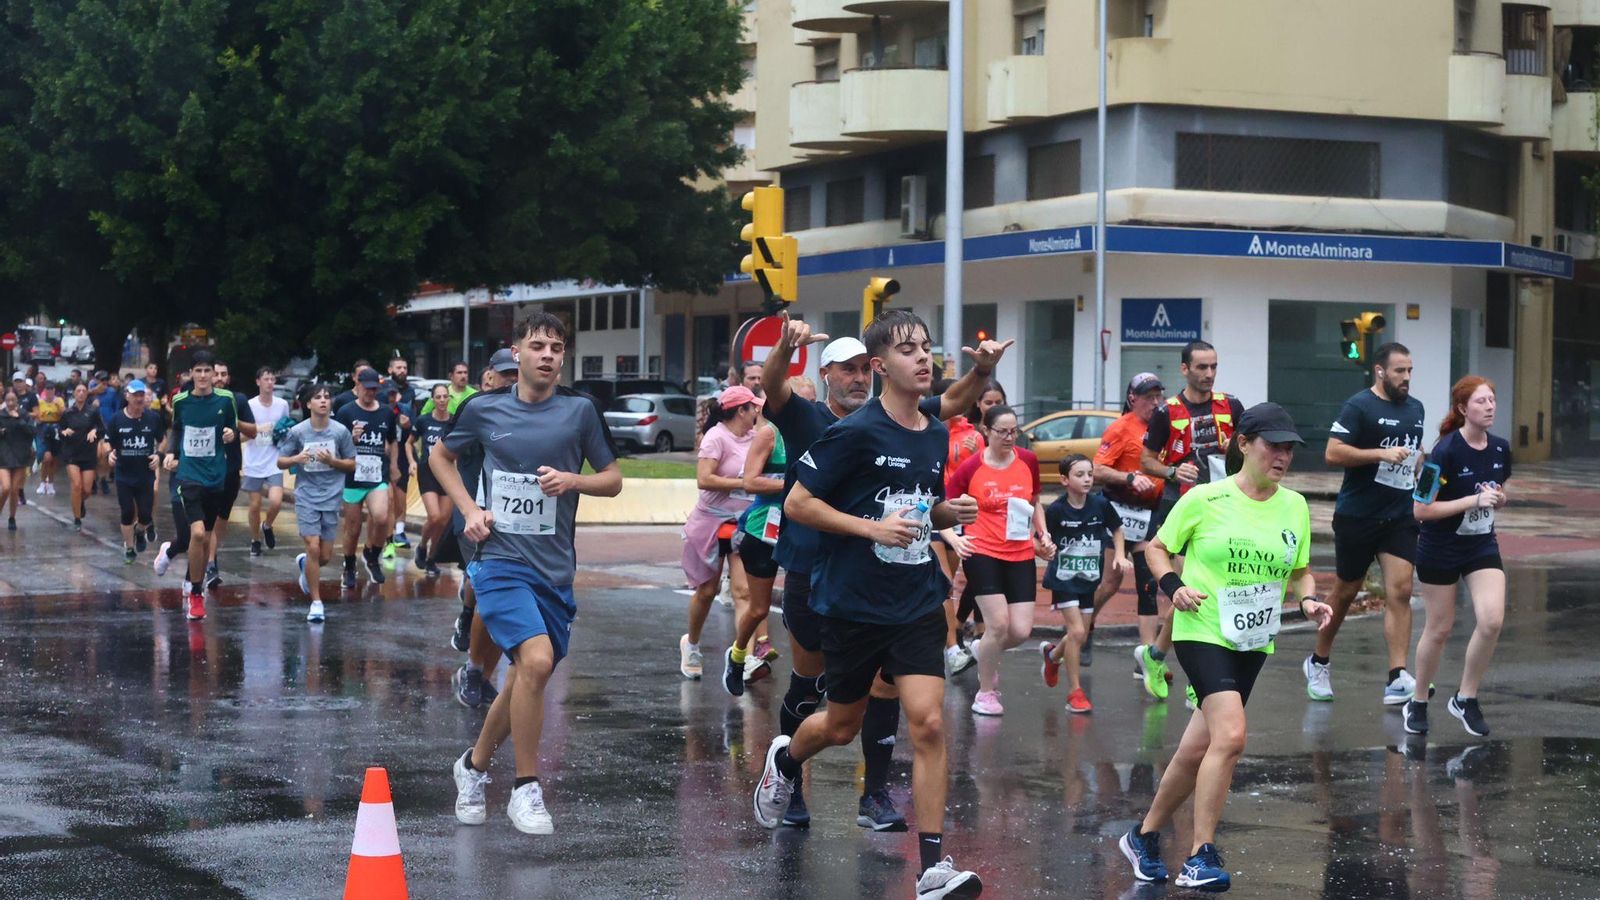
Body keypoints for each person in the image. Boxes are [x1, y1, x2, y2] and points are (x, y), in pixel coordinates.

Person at [753, 309, 985, 898]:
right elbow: (799, 504)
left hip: (915, 599)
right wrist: (870, 529)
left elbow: (917, 505)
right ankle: (785, 762)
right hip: (852, 602)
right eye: (908, 350)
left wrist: (945, 514)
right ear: (882, 365)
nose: (923, 357)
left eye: (926, 347)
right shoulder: (852, 431)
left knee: (928, 722)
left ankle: (931, 869)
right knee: (839, 725)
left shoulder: (934, 433)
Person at [1119, 403, 1332, 893]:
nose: (1282, 456)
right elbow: (1156, 548)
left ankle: (1143, 836)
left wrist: (1308, 600)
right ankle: (1200, 854)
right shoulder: (1205, 498)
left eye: (1289, 448)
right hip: (1202, 629)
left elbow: (1300, 571)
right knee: (1232, 736)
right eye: (1272, 446)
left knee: (1198, 748)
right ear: (1244, 444)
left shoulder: (1295, 507)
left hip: (1252, 639)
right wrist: (1173, 586)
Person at [436, 312, 621, 835]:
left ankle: (472, 767)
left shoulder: (580, 411)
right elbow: (440, 458)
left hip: (554, 569)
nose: (548, 355)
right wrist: (470, 511)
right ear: (516, 353)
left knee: (525, 676)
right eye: (538, 345)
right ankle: (525, 787)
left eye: (556, 348)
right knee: (535, 662)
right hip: (498, 559)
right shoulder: (483, 408)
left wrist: (572, 481)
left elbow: (612, 479)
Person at [1305, 342, 1425, 705]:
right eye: (1399, 371)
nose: (1406, 377)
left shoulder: (1416, 408)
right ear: (1380, 371)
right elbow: (1332, 452)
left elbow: (1411, 455)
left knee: (1400, 590)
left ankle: (1397, 676)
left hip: (1399, 515)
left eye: (1410, 371)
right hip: (1358, 515)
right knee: (1346, 591)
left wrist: (1419, 467)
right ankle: (1318, 661)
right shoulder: (1359, 406)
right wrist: (1380, 454)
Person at [1137, 341, 1244, 701]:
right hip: (1181, 506)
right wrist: (1172, 471)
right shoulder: (1166, 412)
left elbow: (1249, 448)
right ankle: (1197, 681)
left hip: (1224, 506)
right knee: (1194, 590)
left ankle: (1156, 656)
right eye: (1201, 367)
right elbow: (1146, 460)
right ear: (1184, 369)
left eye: (1214, 366)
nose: (1209, 374)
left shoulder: (1231, 406)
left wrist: (1236, 451)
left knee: (1206, 592)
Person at [1404, 376, 1510, 739]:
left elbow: (1497, 491)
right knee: (1440, 628)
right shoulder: (1444, 453)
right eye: (1481, 401)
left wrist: (1497, 498)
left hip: (1480, 545)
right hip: (1440, 547)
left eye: (1492, 400)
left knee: (1492, 620)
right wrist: (1473, 501)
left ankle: (1466, 697)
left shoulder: (1500, 449)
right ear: (1463, 409)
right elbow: (1420, 510)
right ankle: (1418, 701)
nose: (1490, 406)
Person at [944, 404, 1047, 717]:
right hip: (982, 550)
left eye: (1014, 431)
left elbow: (1034, 503)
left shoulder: (1028, 460)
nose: (1010, 437)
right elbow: (942, 508)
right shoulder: (971, 467)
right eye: (1002, 431)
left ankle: (982, 648)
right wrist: (954, 538)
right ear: (986, 431)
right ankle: (985, 693)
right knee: (998, 624)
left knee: (1021, 631)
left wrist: (1043, 534)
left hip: (1020, 551)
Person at [1039, 454, 1131, 714]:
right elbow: (1041, 538)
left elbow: (1118, 529)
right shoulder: (1057, 510)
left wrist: (1120, 555)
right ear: (1064, 480)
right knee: (1078, 632)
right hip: (1064, 578)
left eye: (1090, 474)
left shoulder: (1100, 504)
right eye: (1080, 475)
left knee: (1079, 634)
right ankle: (1075, 692)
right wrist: (1045, 547)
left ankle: (1053, 656)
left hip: (1089, 578)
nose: (1087, 479)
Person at [681, 386, 759, 686]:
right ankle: (692, 644)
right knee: (707, 591)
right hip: (711, 524)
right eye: (753, 407)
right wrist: (744, 482)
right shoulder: (716, 436)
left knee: (744, 592)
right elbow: (704, 479)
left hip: (742, 524)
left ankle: (744, 658)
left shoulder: (755, 437)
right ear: (741, 411)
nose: (756, 412)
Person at [1092, 373, 1168, 680]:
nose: (1155, 403)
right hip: (1118, 512)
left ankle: (1146, 658)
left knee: (1148, 584)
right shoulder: (1120, 428)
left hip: (1148, 513)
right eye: (1148, 397)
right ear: (1132, 399)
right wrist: (1129, 478)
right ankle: (1085, 626)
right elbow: (1096, 470)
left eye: (1158, 396)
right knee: (1111, 582)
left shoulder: (1163, 426)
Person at [162, 351, 240, 621]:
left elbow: (232, 428)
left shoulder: (226, 399)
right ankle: (195, 592)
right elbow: (177, 429)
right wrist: (170, 453)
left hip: (216, 476)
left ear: (213, 374)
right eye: (199, 370)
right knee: (196, 534)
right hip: (189, 474)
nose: (204, 376)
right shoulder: (181, 401)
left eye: (208, 370)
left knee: (206, 537)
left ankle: (196, 581)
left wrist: (231, 434)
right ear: (191, 373)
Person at [278, 384, 359, 622]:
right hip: (306, 496)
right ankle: (316, 602)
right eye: (318, 397)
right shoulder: (298, 432)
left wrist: (333, 461)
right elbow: (281, 461)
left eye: (326, 397)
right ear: (308, 404)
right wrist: (297, 458)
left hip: (332, 497)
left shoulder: (340, 432)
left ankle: (306, 565)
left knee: (324, 556)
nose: (323, 401)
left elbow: (352, 463)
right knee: (313, 546)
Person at [935, 377, 982, 677]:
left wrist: (974, 454)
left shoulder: (973, 435)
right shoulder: (925, 427)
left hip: (956, 514)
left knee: (945, 586)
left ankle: (938, 639)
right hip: (929, 510)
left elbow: (980, 474)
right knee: (941, 582)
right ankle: (952, 650)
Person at [336, 368, 400, 590]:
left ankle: (372, 556)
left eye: (374, 389)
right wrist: (352, 439)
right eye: (367, 388)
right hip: (353, 476)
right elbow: (337, 445)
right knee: (353, 527)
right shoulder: (345, 411)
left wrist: (394, 466)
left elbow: (393, 441)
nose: (370, 392)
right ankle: (349, 566)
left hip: (376, 475)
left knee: (381, 517)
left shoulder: (386, 412)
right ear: (358, 385)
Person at [205, 362, 258, 588]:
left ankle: (211, 555)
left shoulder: (239, 400)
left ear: (228, 377)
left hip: (230, 468)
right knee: (206, 516)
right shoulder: (199, 399)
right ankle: (210, 563)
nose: (219, 378)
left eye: (223, 374)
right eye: (215, 373)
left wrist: (235, 423)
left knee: (221, 517)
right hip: (205, 468)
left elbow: (253, 431)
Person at [104, 380, 165, 562]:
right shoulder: (117, 419)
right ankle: (130, 549)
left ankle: (140, 530)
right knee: (127, 511)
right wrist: (109, 454)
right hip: (124, 474)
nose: (139, 399)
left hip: (145, 474)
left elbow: (163, 440)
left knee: (145, 514)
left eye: (141, 395)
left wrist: (159, 456)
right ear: (127, 396)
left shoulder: (153, 418)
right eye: (135, 395)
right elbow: (107, 442)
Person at [244, 367, 291, 556]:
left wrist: (282, 434)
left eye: (272, 379)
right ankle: (255, 540)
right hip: (254, 461)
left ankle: (267, 525)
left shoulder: (282, 404)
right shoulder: (249, 405)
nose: (270, 383)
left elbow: (287, 427)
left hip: (274, 460)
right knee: (255, 505)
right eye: (266, 379)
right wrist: (257, 430)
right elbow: (241, 435)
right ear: (258, 382)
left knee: (276, 501)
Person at [410, 383, 455, 577]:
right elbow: (408, 443)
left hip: (448, 473)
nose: (442, 400)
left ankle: (431, 557)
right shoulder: (423, 420)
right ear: (433, 400)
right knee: (434, 516)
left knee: (443, 521)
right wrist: (412, 461)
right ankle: (422, 546)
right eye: (438, 397)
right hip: (427, 471)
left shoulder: (454, 422)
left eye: (445, 396)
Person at [382, 355, 417, 556]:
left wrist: (408, 425)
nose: (402, 370)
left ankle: (400, 532)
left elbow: (414, 426)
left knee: (401, 492)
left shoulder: (409, 397)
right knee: (387, 497)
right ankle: (386, 535)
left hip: (403, 450)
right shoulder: (380, 398)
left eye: (405, 367)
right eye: (398, 367)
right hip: (383, 453)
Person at [57, 383, 103, 530]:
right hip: (71, 453)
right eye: (78, 391)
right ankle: (77, 519)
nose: (81, 393)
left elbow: (102, 428)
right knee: (76, 485)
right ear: (74, 394)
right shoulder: (68, 412)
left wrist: (95, 431)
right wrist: (63, 432)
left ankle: (80, 502)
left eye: (84, 391)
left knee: (86, 490)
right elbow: (60, 429)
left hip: (88, 453)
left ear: (87, 393)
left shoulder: (93, 411)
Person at [0, 391, 36, 530]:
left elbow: (32, 431)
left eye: (13, 400)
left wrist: (19, 420)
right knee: (6, 487)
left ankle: (12, 517)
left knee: (15, 489)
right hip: (3, 455)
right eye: (8, 400)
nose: (10, 403)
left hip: (21, 455)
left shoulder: (24, 415)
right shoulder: (1, 415)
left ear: (17, 401)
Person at [32, 382, 64, 496]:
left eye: (51, 389)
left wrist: (58, 407)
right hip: (43, 428)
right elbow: (37, 416)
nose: (49, 391)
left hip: (56, 428)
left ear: (54, 390)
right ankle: (42, 482)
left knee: (53, 459)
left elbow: (63, 414)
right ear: (44, 390)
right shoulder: (40, 402)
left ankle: (50, 483)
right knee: (46, 457)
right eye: (47, 389)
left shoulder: (59, 400)